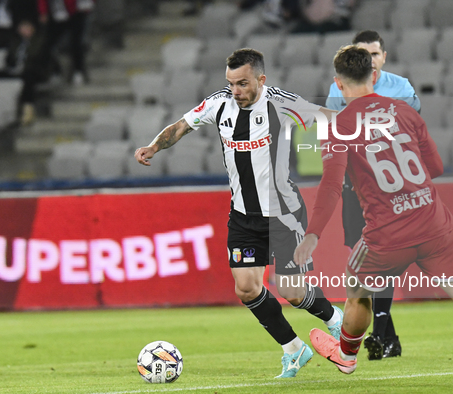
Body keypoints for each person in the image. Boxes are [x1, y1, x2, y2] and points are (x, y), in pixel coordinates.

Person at [294, 45, 453, 389]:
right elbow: (435, 167)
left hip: (386, 236)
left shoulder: (338, 128)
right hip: (434, 226)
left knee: (357, 291)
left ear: (338, 84)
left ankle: (347, 356)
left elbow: (331, 187)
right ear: (374, 76)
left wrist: (313, 234)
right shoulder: (403, 112)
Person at [134, 48, 343, 379]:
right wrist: (154, 146)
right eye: (231, 83)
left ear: (261, 79)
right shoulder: (219, 104)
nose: (236, 91)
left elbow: (327, 117)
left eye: (243, 84)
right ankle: (293, 349)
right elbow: (181, 126)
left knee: (291, 291)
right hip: (244, 217)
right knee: (246, 288)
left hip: (284, 215)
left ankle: (334, 319)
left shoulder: (279, 102)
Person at [326, 29, 420, 361]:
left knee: (380, 261)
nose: (370, 58)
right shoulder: (339, 88)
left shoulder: (401, 87)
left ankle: (380, 332)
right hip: (356, 189)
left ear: (383, 57)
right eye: (363, 52)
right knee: (363, 260)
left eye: (375, 53)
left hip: (391, 188)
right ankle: (387, 336)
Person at [38, 0, 94, 84]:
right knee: (48, 43)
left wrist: (88, 4)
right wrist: (43, 11)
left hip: (76, 11)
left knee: (76, 43)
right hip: (56, 11)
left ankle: (78, 71)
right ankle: (54, 71)